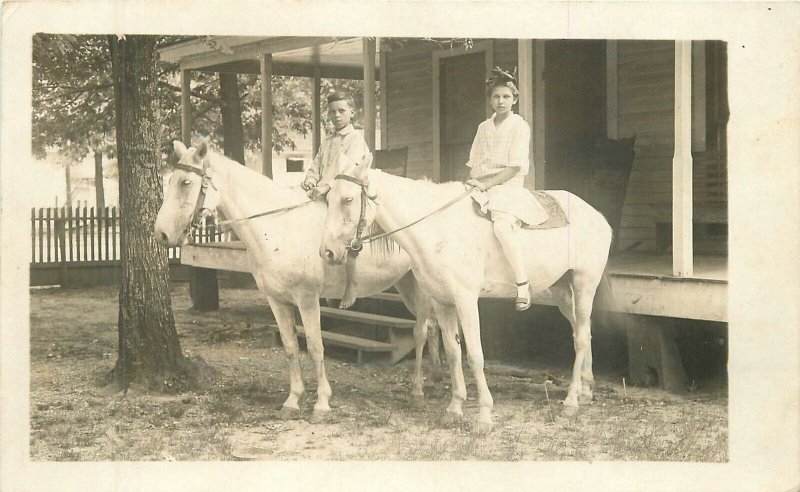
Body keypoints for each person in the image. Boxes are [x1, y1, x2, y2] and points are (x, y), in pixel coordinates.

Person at [465, 67, 547, 311]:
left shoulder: (519, 126)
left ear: (515, 99)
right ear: (490, 99)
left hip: (507, 187)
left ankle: (522, 282)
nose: (501, 101)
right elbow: (473, 162)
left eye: (506, 97)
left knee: (501, 226)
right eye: (496, 97)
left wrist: (487, 184)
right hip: (480, 185)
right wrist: (470, 182)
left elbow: (515, 167)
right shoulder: (483, 127)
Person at [302, 90, 371, 309]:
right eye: (332, 112)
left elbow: (342, 172)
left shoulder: (356, 140)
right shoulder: (328, 141)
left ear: (352, 112)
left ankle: (352, 283)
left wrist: (322, 188)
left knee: (344, 229)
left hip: (347, 193)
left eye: (341, 111)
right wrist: (310, 181)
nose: (336, 116)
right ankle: (321, 278)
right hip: (326, 193)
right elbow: (317, 165)